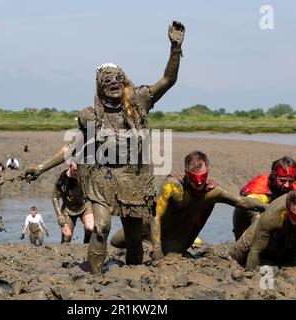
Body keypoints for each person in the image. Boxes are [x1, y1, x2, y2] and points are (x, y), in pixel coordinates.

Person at [18, 21, 185, 275]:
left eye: (118, 77)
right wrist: (40, 168)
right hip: (102, 177)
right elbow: (74, 147)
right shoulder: (92, 114)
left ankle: (134, 275)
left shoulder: (139, 100)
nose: (113, 82)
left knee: (133, 239)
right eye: (107, 79)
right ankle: (95, 277)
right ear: (100, 86)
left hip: (134, 178)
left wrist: (175, 48)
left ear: (125, 80)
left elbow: (169, 79)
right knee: (101, 227)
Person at [111, 151, 266, 259]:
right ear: (186, 172)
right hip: (149, 225)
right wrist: (156, 249)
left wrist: (266, 207)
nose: (199, 184)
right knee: (116, 242)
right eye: (194, 178)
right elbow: (155, 216)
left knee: (173, 253)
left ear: (208, 172)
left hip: (176, 236)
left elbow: (241, 201)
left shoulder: (212, 191)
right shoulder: (172, 186)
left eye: (203, 178)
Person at [233, 156, 296, 241]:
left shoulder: (295, 189)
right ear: (274, 176)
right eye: (282, 180)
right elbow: (247, 201)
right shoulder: (261, 183)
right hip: (247, 219)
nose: (287, 185)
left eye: (290, 181)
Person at [52, 159, 94, 243]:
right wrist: (59, 215)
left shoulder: (84, 174)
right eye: (75, 170)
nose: (77, 173)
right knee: (67, 236)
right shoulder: (62, 178)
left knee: (90, 228)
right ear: (70, 167)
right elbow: (55, 197)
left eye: (79, 170)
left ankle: (86, 245)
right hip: (68, 208)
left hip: (84, 205)